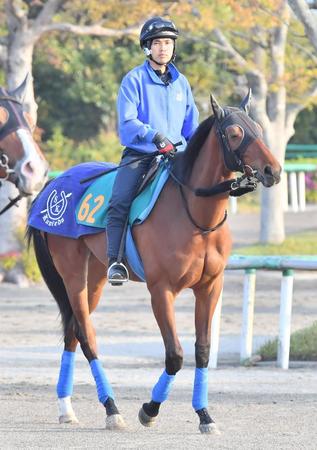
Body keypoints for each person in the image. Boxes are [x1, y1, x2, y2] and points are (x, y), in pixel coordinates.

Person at [106, 16, 199, 285]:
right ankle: (115, 261)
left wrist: (196, 153)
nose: (164, 48)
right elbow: (127, 122)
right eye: (158, 43)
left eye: (168, 43)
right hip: (142, 155)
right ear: (147, 47)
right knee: (119, 202)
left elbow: (191, 126)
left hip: (178, 155)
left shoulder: (182, 83)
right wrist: (154, 136)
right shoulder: (133, 80)